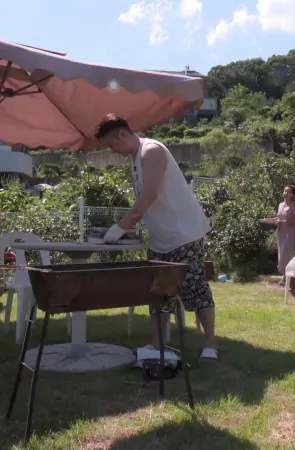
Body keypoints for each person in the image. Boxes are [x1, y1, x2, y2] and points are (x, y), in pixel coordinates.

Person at [96, 114, 218, 360]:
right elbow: (149, 202)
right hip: (160, 239)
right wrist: (131, 228)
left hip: (184, 234)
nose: (112, 151)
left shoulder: (151, 151)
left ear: (121, 134)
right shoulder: (135, 159)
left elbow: (150, 195)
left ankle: (210, 344)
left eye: (110, 145)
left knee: (195, 289)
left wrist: (120, 227)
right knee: (158, 293)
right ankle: (157, 344)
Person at [275, 185, 295, 280]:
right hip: (281, 232)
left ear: (292, 194)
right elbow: (279, 217)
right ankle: (284, 274)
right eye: (284, 191)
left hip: (290, 233)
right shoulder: (280, 205)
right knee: (281, 254)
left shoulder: (294, 205)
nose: (285, 193)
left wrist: (283, 222)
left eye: (288, 191)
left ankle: (290, 276)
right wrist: (274, 221)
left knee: (289, 253)